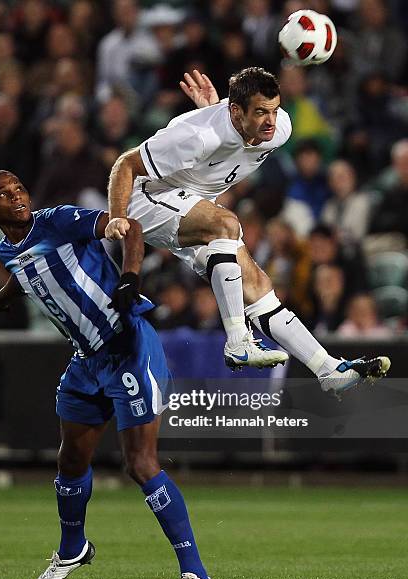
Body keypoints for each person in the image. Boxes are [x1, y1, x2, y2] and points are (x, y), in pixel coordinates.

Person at [0, 169, 214, 579]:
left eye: (19, 188)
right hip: (87, 360)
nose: (16, 196)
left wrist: (130, 276)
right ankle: (72, 548)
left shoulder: (59, 220)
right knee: (70, 462)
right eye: (4, 193)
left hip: (127, 347)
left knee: (140, 464)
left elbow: (131, 227)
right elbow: (24, 271)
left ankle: (196, 574)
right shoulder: (6, 248)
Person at [104, 67, 390, 396]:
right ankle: (238, 342)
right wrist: (117, 216)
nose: (271, 120)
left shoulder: (280, 128)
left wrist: (214, 110)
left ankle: (327, 368)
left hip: (192, 204)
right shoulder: (196, 135)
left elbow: (233, 135)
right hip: (146, 198)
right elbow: (125, 164)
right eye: (260, 112)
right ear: (237, 112)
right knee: (227, 223)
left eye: (274, 109)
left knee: (257, 286)